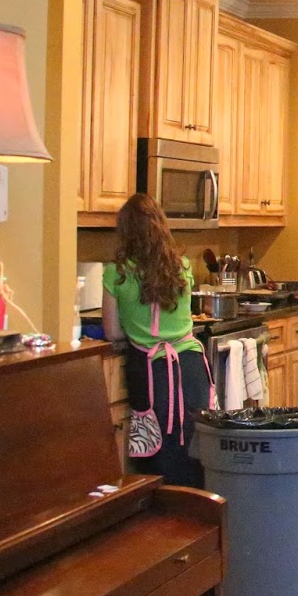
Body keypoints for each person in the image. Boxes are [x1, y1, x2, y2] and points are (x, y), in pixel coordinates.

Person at [102, 193, 212, 489]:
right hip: (191, 367)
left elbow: (112, 331)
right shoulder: (183, 266)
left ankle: (161, 511)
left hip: (153, 372)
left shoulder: (116, 273)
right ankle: (197, 507)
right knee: (194, 444)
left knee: (157, 450)